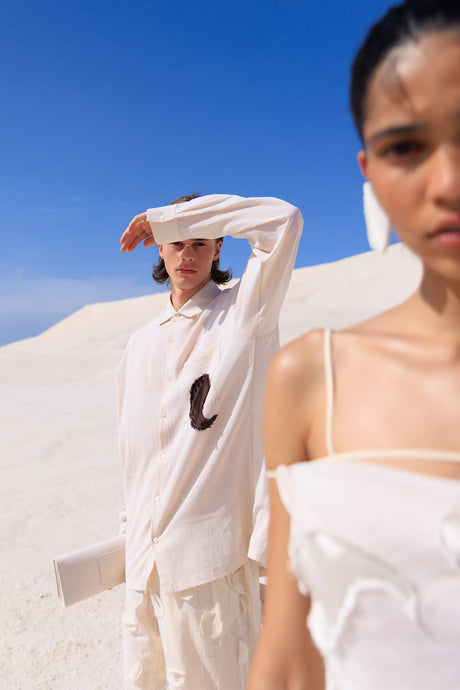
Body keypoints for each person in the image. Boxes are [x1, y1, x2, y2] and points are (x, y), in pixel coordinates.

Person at [247, 1, 460, 688]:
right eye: (406, 147)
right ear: (368, 169)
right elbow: (286, 658)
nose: (448, 183)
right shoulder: (313, 378)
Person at [117, 192, 303, 689]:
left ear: (219, 248)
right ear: (160, 251)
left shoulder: (244, 317)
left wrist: (168, 218)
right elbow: (135, 458)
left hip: (209, 569)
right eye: (175, 243)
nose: (187, 254)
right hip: (144, 569)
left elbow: (283, 221)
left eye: (200, 242)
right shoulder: (140, 344)